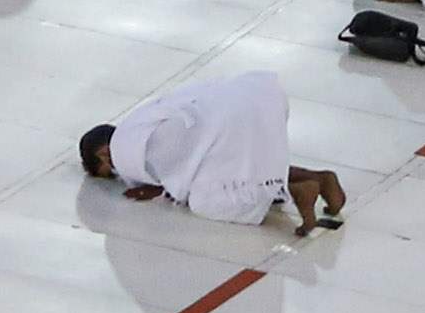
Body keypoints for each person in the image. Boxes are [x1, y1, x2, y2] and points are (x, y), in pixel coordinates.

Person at [85, 70, 349, 230]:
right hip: (256, 96)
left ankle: (294, 190)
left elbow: (181, 169)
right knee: (245, 162)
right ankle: (320, 178)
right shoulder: (143, 119)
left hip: (230, 118)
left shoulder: (129, 144)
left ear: (105, 153)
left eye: (111, 170)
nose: (119, 174)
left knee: (207, 200)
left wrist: (166, 186)